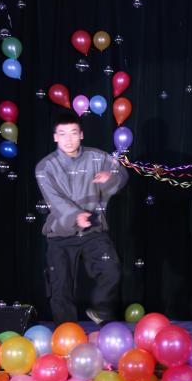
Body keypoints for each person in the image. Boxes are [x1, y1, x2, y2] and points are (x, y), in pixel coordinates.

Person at [36, 112, 128, 325]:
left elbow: (121, 174)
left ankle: (101, 311)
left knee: (111, 269)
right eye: (62, 134)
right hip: (60, 233)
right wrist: (76, 216)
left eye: (73, 133)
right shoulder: (45, 167)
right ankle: (66, 333)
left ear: (81, 135)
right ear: (55, 137)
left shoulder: (97, 157)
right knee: (60, 287)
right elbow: (54, 200)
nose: (68, 139)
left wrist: (111, 177)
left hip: (93, 229)